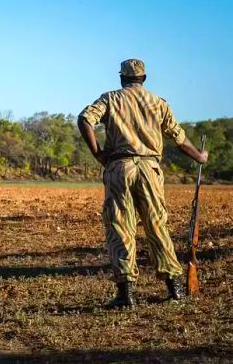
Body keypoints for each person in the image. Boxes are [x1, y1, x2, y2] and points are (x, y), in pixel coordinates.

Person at [78, 59, 208, 308]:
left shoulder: (110, 99)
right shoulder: (158, 103)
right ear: (144, 79)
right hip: (150, 168)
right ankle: (174, 288)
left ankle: (126, 293)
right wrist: (200, 157)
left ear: (121, 78)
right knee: (157, 224)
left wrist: (98, 154)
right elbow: (179, 139)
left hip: (119, 167)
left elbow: (84, 119)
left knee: (120, 226)